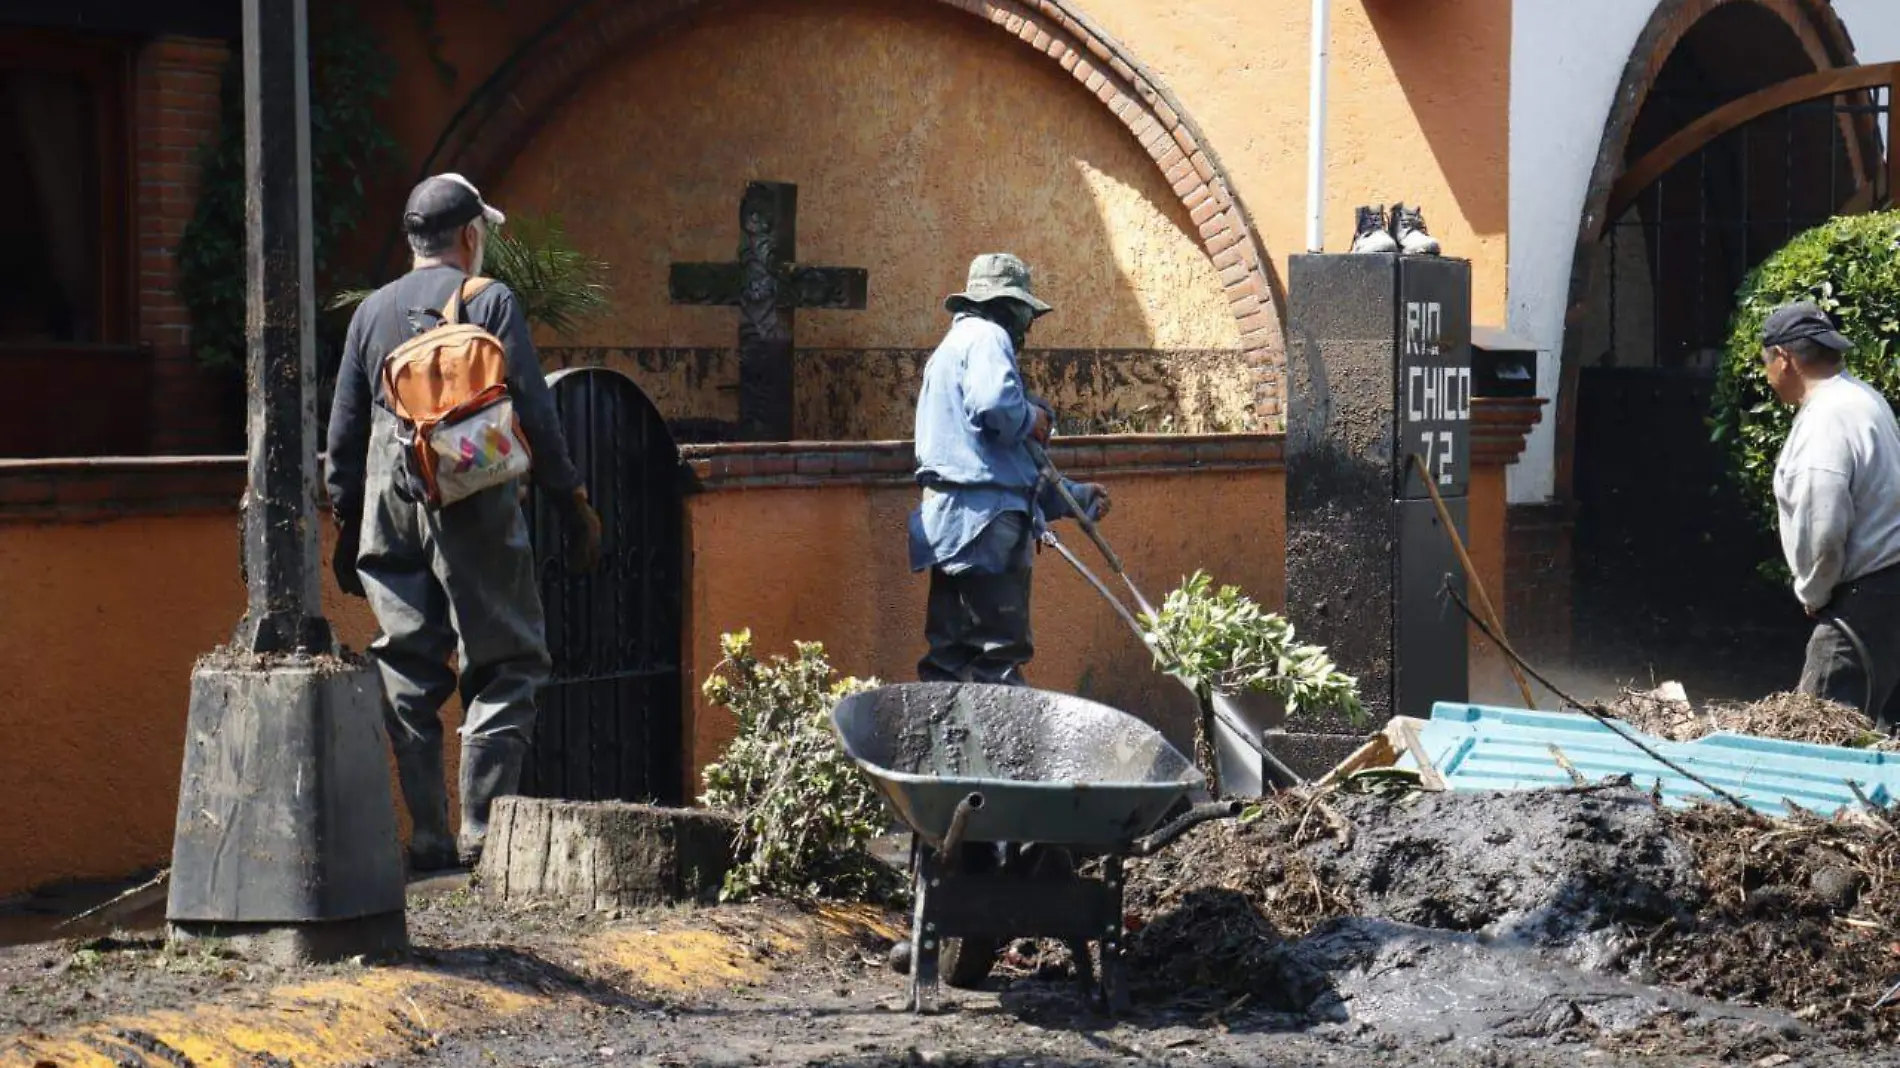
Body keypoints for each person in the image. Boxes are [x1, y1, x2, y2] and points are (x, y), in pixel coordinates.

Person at [325, 173, 602, 871]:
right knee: (507, 659)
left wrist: (347, 525)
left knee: (408, 662)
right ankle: (481, 831)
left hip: (390, 496)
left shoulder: (372, 312)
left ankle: (426, 835)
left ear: (414, 239)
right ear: (471, 236)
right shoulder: (491, 300)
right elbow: (533, 412)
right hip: (471, 489)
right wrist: (569, 499)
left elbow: (345, 432)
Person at [909, 252, 1111, 686]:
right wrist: (1029, 417)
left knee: (949, 659)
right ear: (1006, 304)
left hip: (949, 525)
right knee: (997, 659)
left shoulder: (948, 352)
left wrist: (1072, 497)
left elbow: (999, 463)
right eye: (1025, 312)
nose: (1027, 325)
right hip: (987, 528)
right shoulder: (987, 337)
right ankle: (1006, 755)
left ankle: (939, 752)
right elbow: (996, 409)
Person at [1760, 300, 1900, 729]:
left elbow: (1823, 526)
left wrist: (1814, 592)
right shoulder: (1862, 398)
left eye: (1766, 363)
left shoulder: (1825, 418)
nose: (1767, 377)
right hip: (1889, 590)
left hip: (1864, 599)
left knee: (1816, 733)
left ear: (1784, 359)